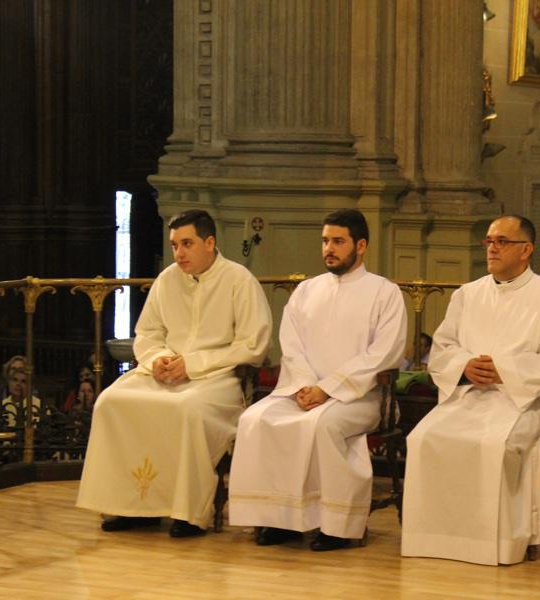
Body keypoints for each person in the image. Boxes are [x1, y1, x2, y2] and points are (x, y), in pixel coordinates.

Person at [76, 209, 272, 538]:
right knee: (110, 402)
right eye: (174, 245)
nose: (179, 253)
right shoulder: (167, 280)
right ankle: (132, 507)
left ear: (209, 243)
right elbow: (148, 333)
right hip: (163, 374)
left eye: (187, 244)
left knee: (187, 409)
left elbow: (253, 345)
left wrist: (192, 364)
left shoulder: (239, 281)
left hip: (216, 378)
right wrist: (158, 360)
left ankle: (188, 513)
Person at [401, 215, 540, 566]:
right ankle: (437, 539)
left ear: (526, 250)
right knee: (423, 439)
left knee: (495, 445)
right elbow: (442, 349)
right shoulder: (468, 294)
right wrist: (464, 365)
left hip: (523, 401)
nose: (492, 248)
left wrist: (505, 370)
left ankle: (497, 543)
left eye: (502, 241)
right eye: (489, 241)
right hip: (467, 396)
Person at [228, 209, 407, 552]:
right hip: (303, 390)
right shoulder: (306, 291)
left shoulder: (385, 293)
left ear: (361, 246)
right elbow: (291, 346)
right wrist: (305, 386)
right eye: (325, 241)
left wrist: (327, 389)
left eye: (338, 241)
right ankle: (279, 520)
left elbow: (383, 355)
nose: (329, 249)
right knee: (256, 419)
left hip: (361, 398)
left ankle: (336, 526)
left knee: (323, 426)